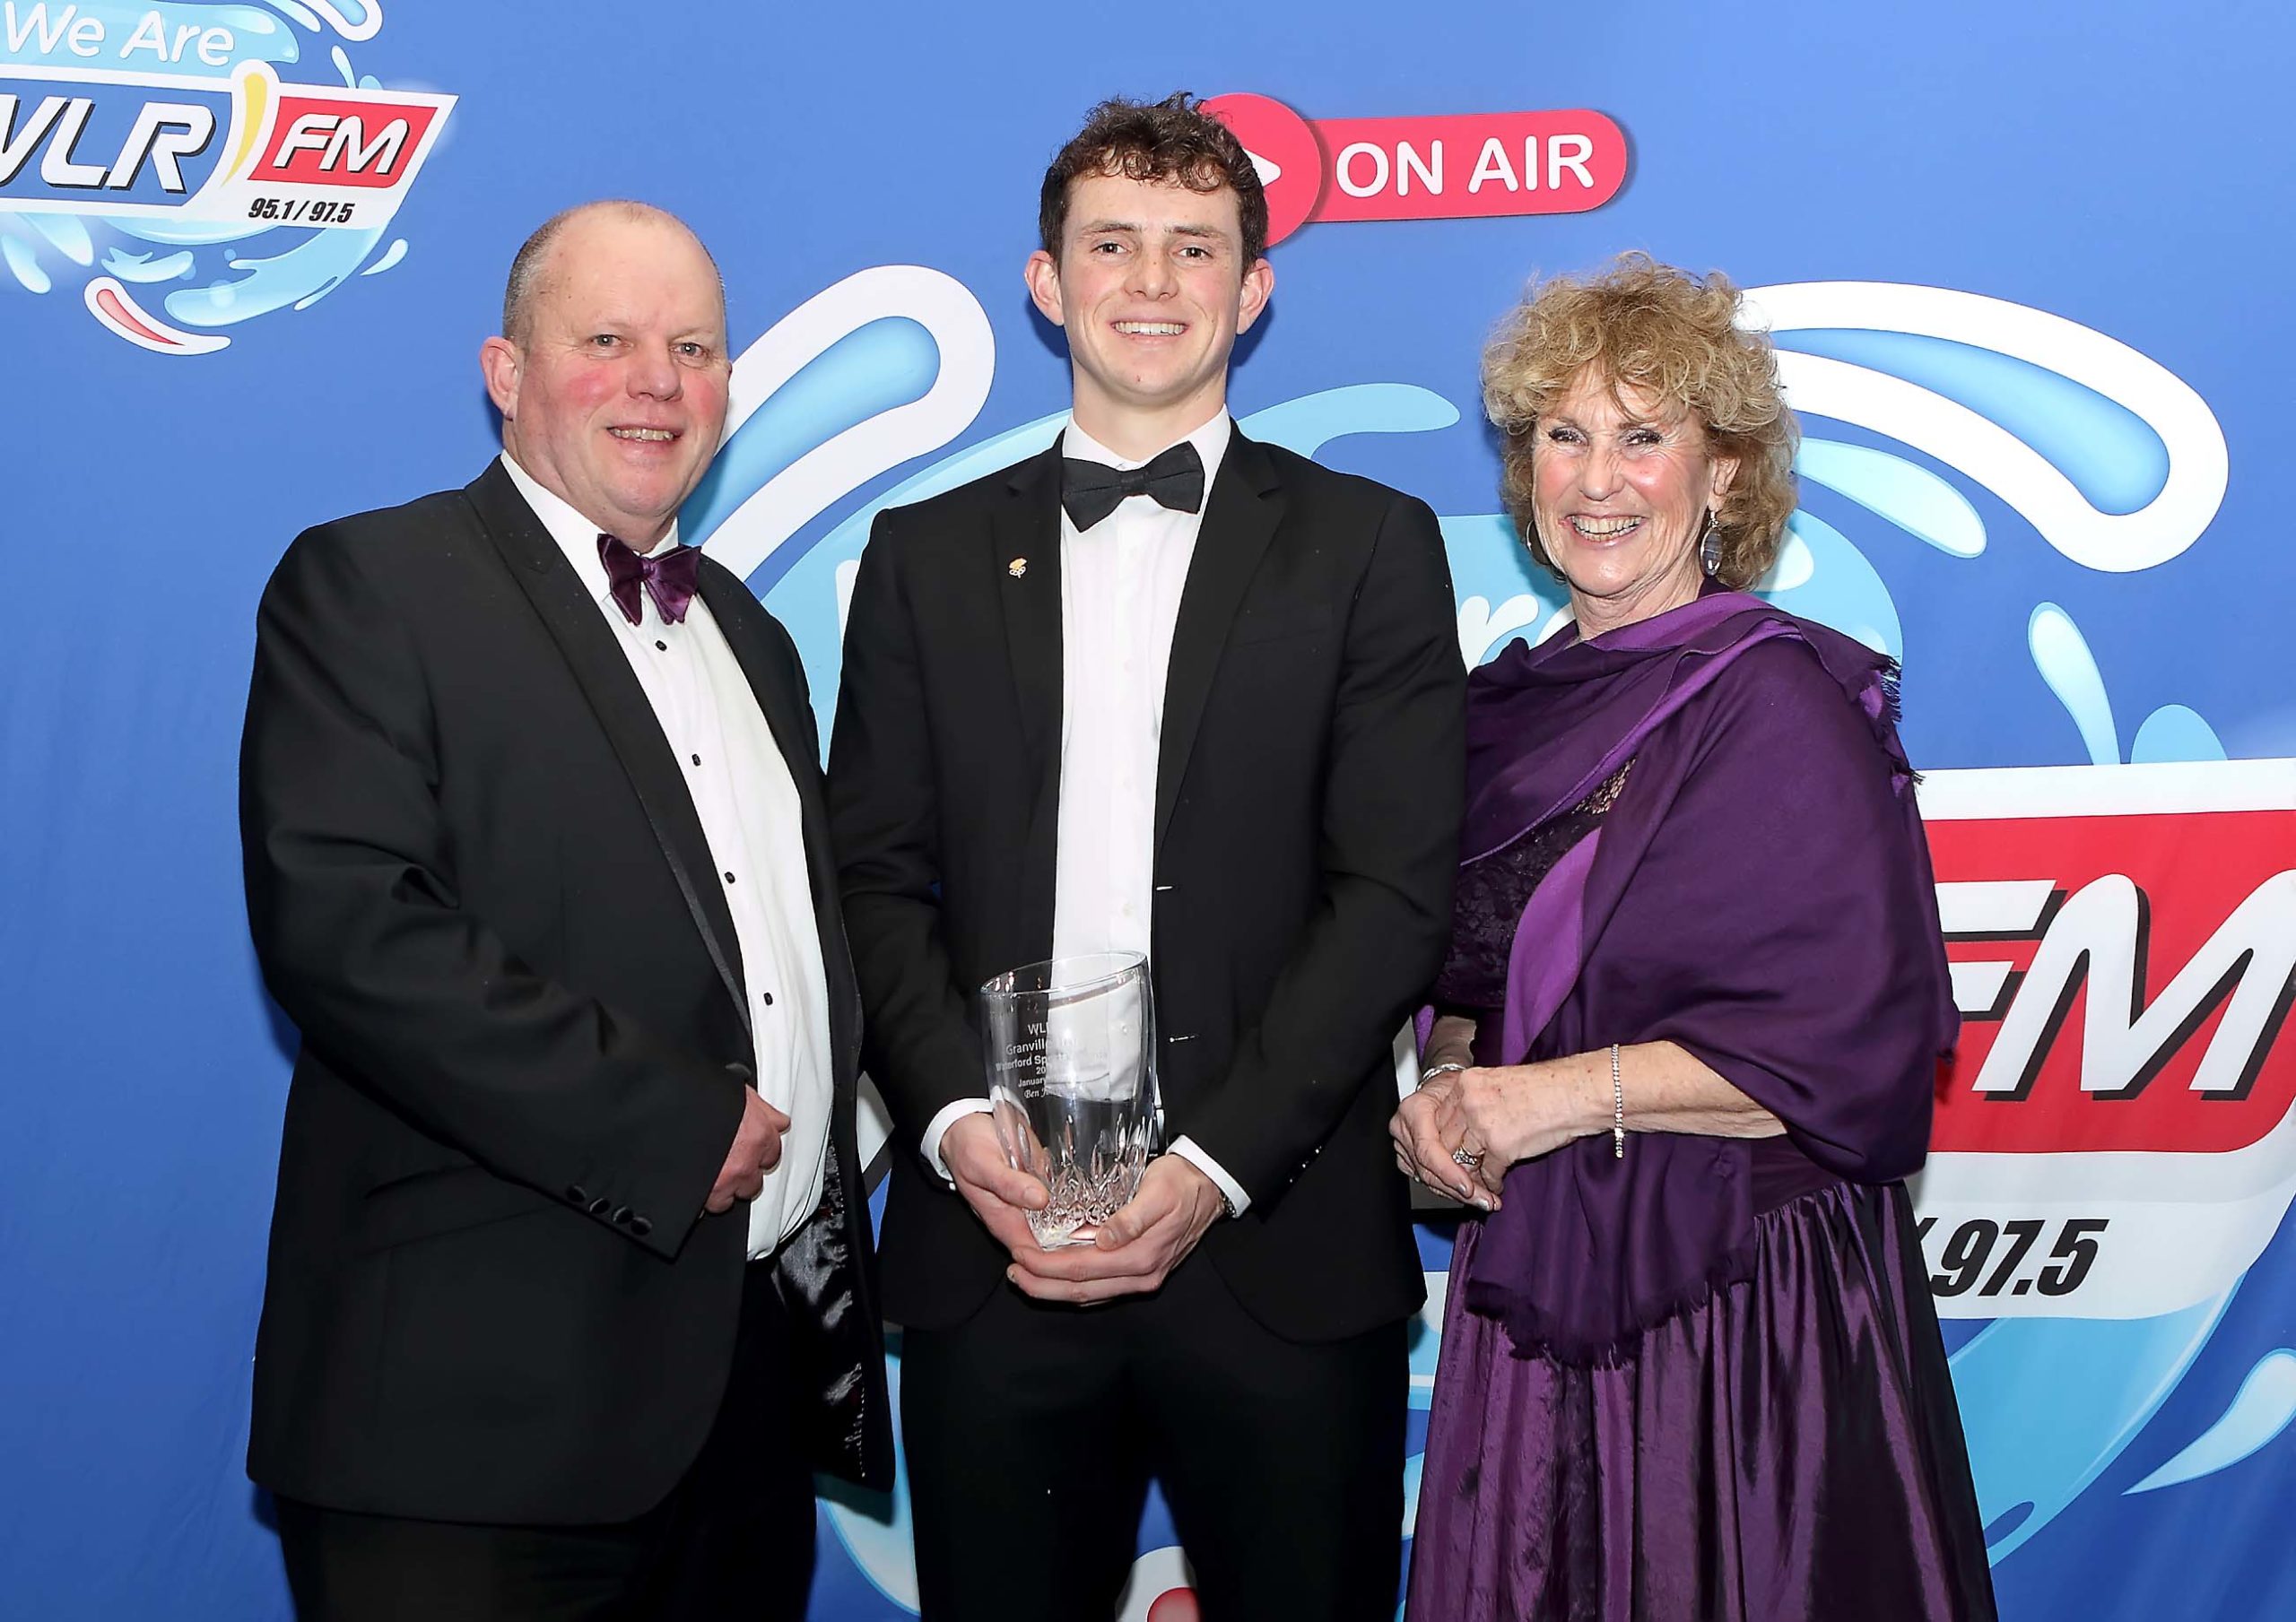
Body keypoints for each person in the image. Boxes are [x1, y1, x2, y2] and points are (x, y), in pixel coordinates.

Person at [829, 94, 1466, 1621]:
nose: (1153, 281)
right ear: (1046, 283)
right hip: (998, 1243)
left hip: (1280, 1240)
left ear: (1255, 289)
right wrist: (953, 1123)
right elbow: (869, 879)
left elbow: (1392, 896)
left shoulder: (1372, 545)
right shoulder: (921, 554)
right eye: (1111, 244)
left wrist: (1210, 1167)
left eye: (1195, 247)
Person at [239, 199, 889, 1621]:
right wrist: (674, 1122)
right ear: (506, 371)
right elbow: (351, 930)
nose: (657, 380)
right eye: (607, 339)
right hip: (468, 1425)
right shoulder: (373, 584)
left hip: (739, 1411)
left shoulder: (753, 639)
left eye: (694, 348)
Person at [1392, 254, 1995, 1621]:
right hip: (1538, 1297)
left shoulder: (1783, 698)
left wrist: (1547, 1097)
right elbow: (1481, 979)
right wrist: (1453, 1086)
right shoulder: (1497, 711)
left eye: (1643, 436)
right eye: (1565, 435)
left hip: (1745, 1318)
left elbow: (1851, 1053)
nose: (1598, 479)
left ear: (1722, 474)